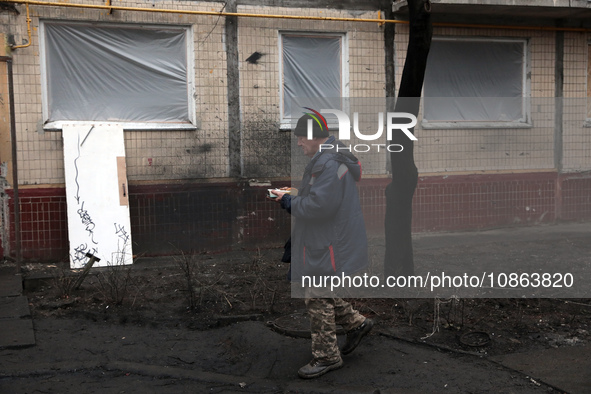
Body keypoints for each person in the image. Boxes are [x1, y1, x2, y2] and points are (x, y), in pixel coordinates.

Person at [272, 113, 373, 379]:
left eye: (301, 138)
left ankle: (327, 357)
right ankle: (357, 324)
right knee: (320, 290)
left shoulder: (326, 163)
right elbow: (322, 197)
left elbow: (319, 207)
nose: (299, 144)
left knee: (316, 295)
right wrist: (293, 194)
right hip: (328, 239)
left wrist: (286, 202)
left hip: (326, 242)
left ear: (314, 137)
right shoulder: (331, 158)